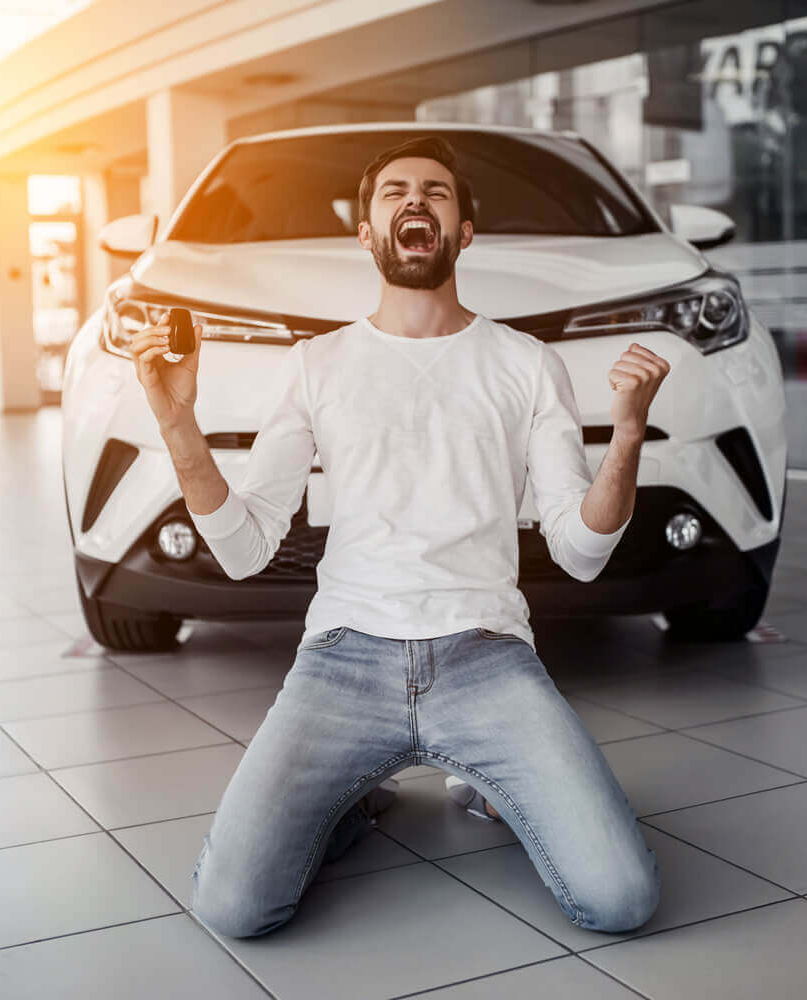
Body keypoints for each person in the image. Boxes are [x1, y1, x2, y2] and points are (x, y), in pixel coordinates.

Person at [128, 136, 669, 939]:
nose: (416, 201)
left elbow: (579, 551)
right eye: (395, 192)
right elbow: (243, 549)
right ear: (368, 233)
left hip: (486, 655)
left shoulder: (526, 363)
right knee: (234, 908)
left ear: (465, 231)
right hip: (344, 658)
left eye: (437, 192)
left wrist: (626, 435)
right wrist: (176, 421)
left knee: (620, 899)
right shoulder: (318, 363)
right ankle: (355, 795)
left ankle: (489, 784)